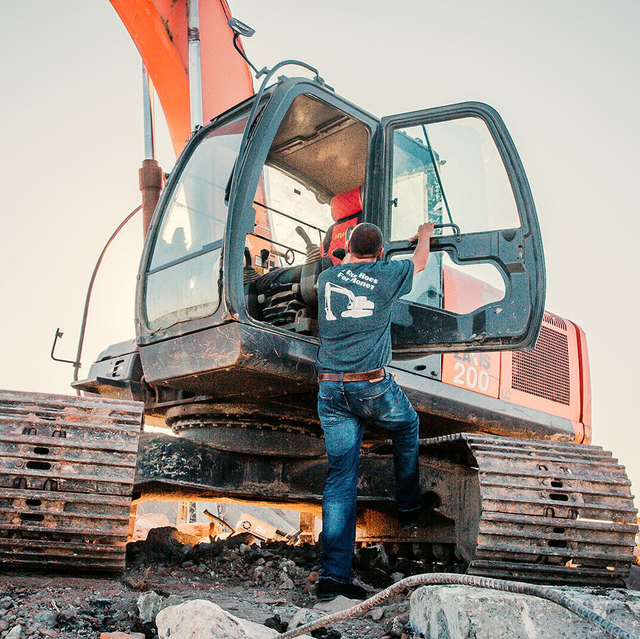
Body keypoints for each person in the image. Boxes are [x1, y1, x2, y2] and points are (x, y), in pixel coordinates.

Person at [315, 220, 435, 602]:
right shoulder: (387, 275)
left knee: (340, 481)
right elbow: (420, 261)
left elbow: (344, 266)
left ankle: (333, 579)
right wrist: (425, 235)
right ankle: (409, 503)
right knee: (407, 424)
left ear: (347, 247)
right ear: (381, 253)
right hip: (371, 387)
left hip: (330, 390)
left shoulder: (325, 279)